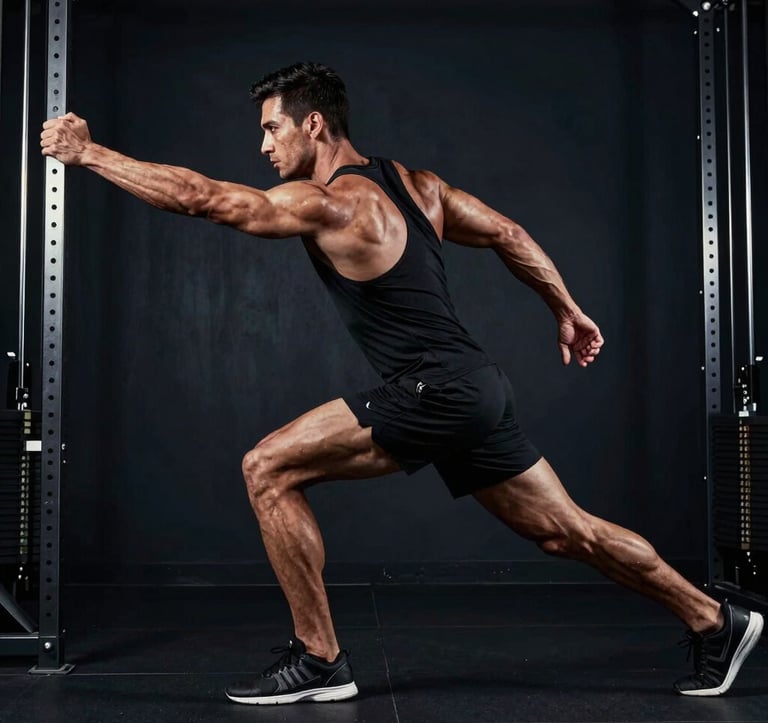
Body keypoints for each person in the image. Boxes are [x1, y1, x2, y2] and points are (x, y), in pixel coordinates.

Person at [41, 61, 763, 706]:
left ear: (313, 123)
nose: (264, 148)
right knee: (564, 530)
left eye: (272, 130)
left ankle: (321, 658)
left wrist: (89, 153)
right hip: (475, 384)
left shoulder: (333, 201)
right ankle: (714, 619)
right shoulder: (422, 187)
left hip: (438, 389)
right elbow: (510, 233)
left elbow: (206, 198)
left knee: (266, 468)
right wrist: (566, 310)